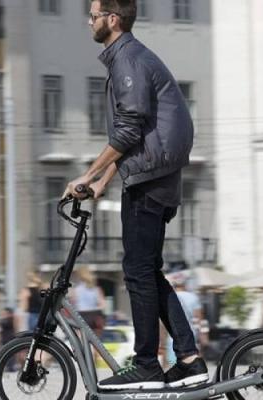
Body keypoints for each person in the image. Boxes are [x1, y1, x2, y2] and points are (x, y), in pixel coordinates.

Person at [65, 0, 201, 390]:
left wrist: (87, 173)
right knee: (147, 271)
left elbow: (128, 130)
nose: (88, 22)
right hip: (153, 175)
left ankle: (146, 364)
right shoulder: (129, 57)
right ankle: (189, 359)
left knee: (137, 272)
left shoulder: (129, 59)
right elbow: (135, 134)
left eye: (92, 15)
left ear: (112, 18)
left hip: (148, 179)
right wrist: (103, 182)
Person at [164, 273, 204, 368]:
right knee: (192, 366)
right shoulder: (193, 297)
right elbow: (200, 320)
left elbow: (163, 323)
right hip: (191, 337)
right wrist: (203, 336)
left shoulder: (168, 297)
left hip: (171, 338)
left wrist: (161, 343)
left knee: (173, 368)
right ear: (186, 283)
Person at [71, 268, 107, 337]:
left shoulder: (76, 289)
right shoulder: (97, 289)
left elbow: (73, 303)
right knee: (96, 342)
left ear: (79, 277)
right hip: (95, 315)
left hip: (81, 315)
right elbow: (103, 304)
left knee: (81, 341)